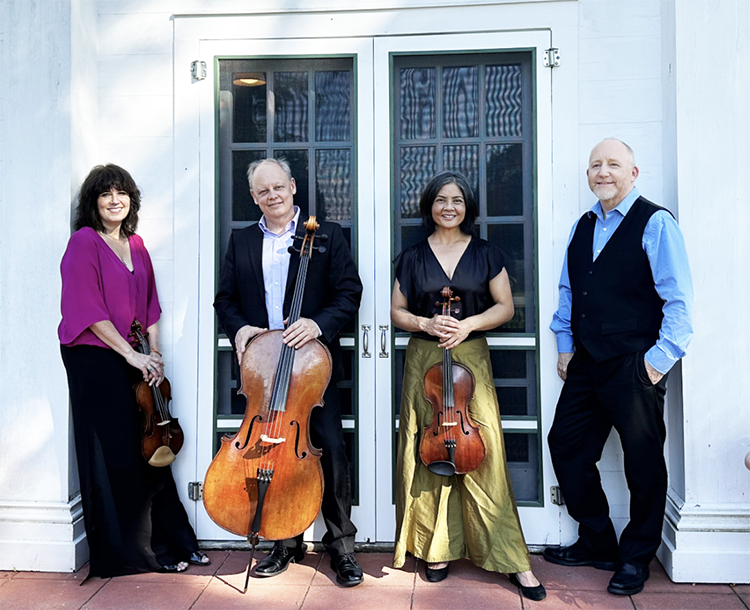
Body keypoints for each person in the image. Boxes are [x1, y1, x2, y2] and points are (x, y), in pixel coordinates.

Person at [546, 139, 693, 596]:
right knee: (565, 445)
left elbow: (679, 301)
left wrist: (657, 362)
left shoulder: (656, 223)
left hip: (635, 363)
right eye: (595, 165)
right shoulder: (583, 225)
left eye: (613, 164)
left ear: (633, 172)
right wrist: (566, 344)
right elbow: (570, 291)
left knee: (643, 463)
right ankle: (597, 541)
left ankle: (635, 558)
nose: (602, 172)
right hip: (588, 361)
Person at [390, 171, 546, 602]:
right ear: (430, 206)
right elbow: (397, 312)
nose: (449, 207)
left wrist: (467, 325)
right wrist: (425, 322)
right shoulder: (411, 257)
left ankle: (510, 556)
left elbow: (505, 306)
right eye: (441, 199)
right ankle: (435, 549)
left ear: (467, 207)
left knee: (483, 452)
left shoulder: (487, 253)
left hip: (471, 357)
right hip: (424, 361)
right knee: (428, 453)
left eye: (457, 200)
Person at [213, 157, 364, 587]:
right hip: (263, 370)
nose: (272, 196)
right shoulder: (241, 241)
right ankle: (284, 541)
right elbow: (225, 300)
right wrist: (241, 328)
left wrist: (317, 324)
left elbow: (349, 293)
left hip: (310, 369)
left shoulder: (326, 235)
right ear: (254, 197)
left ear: (293, 186)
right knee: (271, 451)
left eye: (278, 187)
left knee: (331, 450)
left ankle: (342, 548)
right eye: (263, 191)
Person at [59, 164, 210, 577]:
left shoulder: (136, 244)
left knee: (151, 454)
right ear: (93, 201)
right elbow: (87, 311)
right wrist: (132, 355)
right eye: (105, 193)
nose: (114, 200)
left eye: (121, 192)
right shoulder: (83, 243)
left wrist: (154, 355)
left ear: (131, 200)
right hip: (96, 357)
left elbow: (150, 306)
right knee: (119, 456)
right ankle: (134, 553)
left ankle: (177, 540)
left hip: (134, 354)